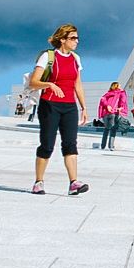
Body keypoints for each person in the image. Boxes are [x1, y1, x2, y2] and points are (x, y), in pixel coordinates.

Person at [28, 24, 89, 195]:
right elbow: (33, 82)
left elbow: (78, 84)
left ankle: (74, 183)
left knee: (70, 144)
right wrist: (49, 84)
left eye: (77, 38)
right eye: (73, 38)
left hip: (70, 106)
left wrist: (84, 107)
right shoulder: (48, 57)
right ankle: (38, 182)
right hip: (49, 104)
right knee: (47, 144)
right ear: (62, 39)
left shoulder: (75, 58)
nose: (77, 41)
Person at [97, 81, 128, 151]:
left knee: (106, 129)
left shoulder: (107, 94)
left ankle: (103, 145)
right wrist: (121, 107)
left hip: (105, 114)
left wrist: (107, 106)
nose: (120, 87)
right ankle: (110, 146)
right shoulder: (120, 93)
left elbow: (102, 100)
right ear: (116, 86)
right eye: (119, 85)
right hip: (114, 112)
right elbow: (122, 101)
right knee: (113, 129)